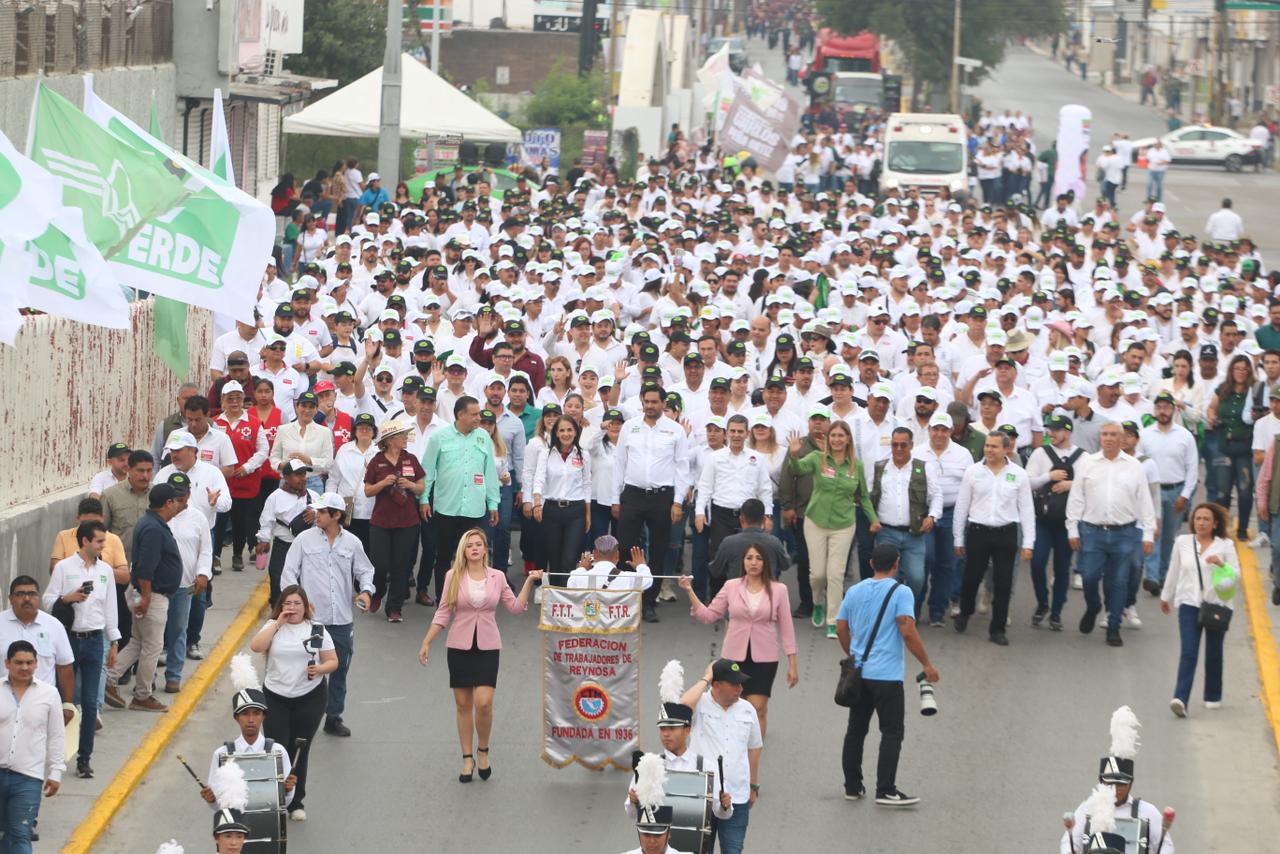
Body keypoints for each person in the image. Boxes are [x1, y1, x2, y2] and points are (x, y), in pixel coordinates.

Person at [418, 529, 542, 783]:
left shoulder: (497, 577)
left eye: (479, 545)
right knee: (463, 705)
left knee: (483, 703)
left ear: (485, 549)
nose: (474, 548)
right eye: (469, 545)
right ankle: (467, 758)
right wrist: (427, 641)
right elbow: (443, 612)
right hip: (459, 645)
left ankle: (483, 750)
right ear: (463, 551)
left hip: (487, 645)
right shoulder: (453, 576)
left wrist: (529, 582)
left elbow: (516, 608)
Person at [835, 543, 939, 807]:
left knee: (856, 731)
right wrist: (927, 663)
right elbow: (907, 629)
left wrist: (854, 653)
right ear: (896, 564)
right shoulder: (901, 592)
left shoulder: (855, 591)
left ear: (871, 564)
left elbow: (840, 627)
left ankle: (852, 786)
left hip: (859, 675)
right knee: (892, 731)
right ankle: (886, 789)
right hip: (887, 676)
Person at [280, 493, 373, 738]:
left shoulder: (352, 543)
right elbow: (288, 573)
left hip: (341, 619)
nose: (316, 515)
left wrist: (366, 592)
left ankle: (333, 717)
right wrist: (297, 604)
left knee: (339, 668)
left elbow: (365, 571)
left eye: (322, 512)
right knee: (306, 668)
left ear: (336, 515)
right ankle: (301, 716)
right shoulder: (303, 540)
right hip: (312, 621)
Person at [680, 544, 797, 738]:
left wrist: (792, 664)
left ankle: (754, 750)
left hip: (765, 658)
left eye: (758, 558)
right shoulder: (731, 586)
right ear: (743, 562)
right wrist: (689, 591)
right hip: (734, 657)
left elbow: (787, 627)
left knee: (758, 707)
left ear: (765, 563)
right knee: (734, 705)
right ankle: (734, 747)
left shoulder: (779, 590)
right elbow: (709, 615)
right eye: (749, 558)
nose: (753, 562)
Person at [249, 585, 337, 820]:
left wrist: (319, 669)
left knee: (300, 748)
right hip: (276, 695)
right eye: (288, 603)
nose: (292, 608)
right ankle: (276, 797)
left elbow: (332, 661)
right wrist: (277, 622)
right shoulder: (273, 627)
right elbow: (256, 646)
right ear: (281, 606)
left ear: (306, 606)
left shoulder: (316, 630)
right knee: (277, 748)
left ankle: (296, 801)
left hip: (309, 697)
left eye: (297, 603)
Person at [1066, 423, 1157, 648]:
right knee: (1088, 576)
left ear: (1121, 438)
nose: (1108, 438)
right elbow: (1077, 496)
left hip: (1124, 532)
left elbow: (1145, 500)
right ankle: (1093, 606)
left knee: (1118, 581)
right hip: (1093, 531)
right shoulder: (1087, 463)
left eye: (1113, 435)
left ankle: (1114, 625)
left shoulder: (1134, 466)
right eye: (1105, 434)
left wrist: (1148, 533)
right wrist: (1072, 528)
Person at [786, 420, 877, 637]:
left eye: (840, 436)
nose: (836, 440)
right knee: (818, 574)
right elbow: (797, 469)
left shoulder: (857, 465)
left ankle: (833, 619)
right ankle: (818, 602)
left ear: (848, 440)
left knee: (835, 574)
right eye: (833, 436)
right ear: (828, 439)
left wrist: (873, 519)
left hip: (843, 524)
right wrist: (794, 454)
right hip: (815, 521)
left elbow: (863, 496)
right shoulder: (818, 459)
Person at [612, 383, 693, 624]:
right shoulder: (630, 427)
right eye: (646, 401)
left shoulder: (675, 430)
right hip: (633, 495)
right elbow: (619, 463)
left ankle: (649, 602)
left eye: (654, 402)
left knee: (658, 550)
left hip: (662, 497)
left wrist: (678, 502)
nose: (650, 406)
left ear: (663, 403)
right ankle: (628, 601)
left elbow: (682, 468)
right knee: (626, 547)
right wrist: (616, 498)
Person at [43, 522, 117, 779]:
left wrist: (114, 641)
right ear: (84, 541)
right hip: (68, 640)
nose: (102, 546)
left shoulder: (106, 571)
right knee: (63, 700)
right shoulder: (63, 568)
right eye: (98, 541)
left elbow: (110, 609)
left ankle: (84, 759)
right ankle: (57, 757)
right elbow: (48, 600)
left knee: (89, 703)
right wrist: (68, 598)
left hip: (96, 640)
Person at [104, 483, 184, 713]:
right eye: (176, 502)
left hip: (147, 593)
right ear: (168, 503)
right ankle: (143, 695)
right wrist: (147, 598)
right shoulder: (154, 529)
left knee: (138, 642)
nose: (178, 506)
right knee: (152, 647)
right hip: (153, 595)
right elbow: (146, 568)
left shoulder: (151, 523)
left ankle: (108, 678)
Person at [623, 661, 732, 829]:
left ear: (687, 730)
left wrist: (725, 805)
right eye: (663, 729)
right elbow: (631, 813)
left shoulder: (706, 766)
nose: (666, 734)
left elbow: (720, 812)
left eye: (672, 728)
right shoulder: (648, 766)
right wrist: (633, 801)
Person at [952, 431, 1035, 646]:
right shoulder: (973, 472)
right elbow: (962, 505)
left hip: (1006, 533)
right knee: (971, 578)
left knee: (1003, 583)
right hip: (978, 532)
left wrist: (1028, 543)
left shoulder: (1018, 474)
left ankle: (997, 629)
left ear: (1006, 449)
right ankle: (965, 612)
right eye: (987, 446)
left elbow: (1026, 509)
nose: (989, 450)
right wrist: (958, 538)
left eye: (994, 446)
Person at [1161, 502, 1239, 717]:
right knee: (1189, 652)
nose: (1201, 522)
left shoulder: (1225, 545)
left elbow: (1237, 574)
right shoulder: (1183, 542)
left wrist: (1222, 564)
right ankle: (1180, 698)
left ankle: (1213, 695)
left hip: (1216, 605)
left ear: (1215, 524)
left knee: (1214, 652)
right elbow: (1174, 570)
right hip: (1188, 603)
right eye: (1197, 518)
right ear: (1192, 521)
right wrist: (1165, 596)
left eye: (1206, 519)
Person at [678, 659, 763, 854]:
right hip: (701, 796)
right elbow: (684, 704)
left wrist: (753, 785)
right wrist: (707, 676)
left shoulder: (747, 709)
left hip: (736, 796)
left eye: (740, 683)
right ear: (716, 685)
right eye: (734, 684)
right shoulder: (700, 704)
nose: (740, 688)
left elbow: (754, 748)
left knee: (733, 850)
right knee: (699, 850)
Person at [420, 398, 501, 602]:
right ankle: (443, 600)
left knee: (472, 557)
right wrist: (423, 499)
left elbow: (489, 472)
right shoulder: (440, 437)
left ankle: (467, 599)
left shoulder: (483, 437)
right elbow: (427, 471)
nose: (478, 418)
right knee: (444, 556)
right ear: (460, 415)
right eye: (474, 414)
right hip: (446, 507)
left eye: (479, 414)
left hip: (474, 509)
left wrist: (493, 503)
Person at [1061, 706, 1172, 854]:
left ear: (1131, 784)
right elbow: (1070, 841)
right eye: (1110, 783)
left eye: (1121, 784)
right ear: (1101, 782)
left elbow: (1165, 844)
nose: (1115, 788)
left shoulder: (1147, 812)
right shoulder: (1087, 808)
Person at [0, 640, 64, 854]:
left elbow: (56, 735)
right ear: (7, 663)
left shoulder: (49, 694)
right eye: (19, 662)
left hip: (28, 778)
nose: (24, 667)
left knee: (20, 834)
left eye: (29, 662)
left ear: (37, 664)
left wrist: (56, 771)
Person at [869, 427, 942, 613]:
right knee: (887, 580)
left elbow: (936, 496)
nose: (899, 448)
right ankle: (891, 613)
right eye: (895, 444)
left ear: (911, 445)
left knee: (917, 577)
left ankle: (910, 606)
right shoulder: (880, 467)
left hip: (914, 534)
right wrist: (871, 519)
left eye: (903, 444)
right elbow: (868, 496)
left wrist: (932, 516)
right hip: (886, 533)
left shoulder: (924, 467)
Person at [201, 672, 295, 811]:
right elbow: (218, 804)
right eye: (245, 714)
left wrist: (287, 790)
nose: (251, 720)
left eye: (256, 713)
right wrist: (211, 799)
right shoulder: (222, 754)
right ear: (236, 718)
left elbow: (284, 803)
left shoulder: (278, 751)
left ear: (264, 716)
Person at [1026, 415, 1085, 631]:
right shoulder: (1040, 453)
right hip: (1043, 519)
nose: (1052, 433)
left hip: (1068, 522)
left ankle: (1057, 612)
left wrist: (1071, 484)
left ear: (1068, 433)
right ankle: (1043, 602)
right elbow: (1027, 481)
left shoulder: (1083, 457)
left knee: (1062, 569)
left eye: (1057, 430)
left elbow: (1090, 485)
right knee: (1037, 563)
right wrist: (1048, 476)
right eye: (1050, 429)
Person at [363, 419, 425, 623]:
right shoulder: (376, 461)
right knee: (379, 564)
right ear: (390, 440)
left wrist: (411, 485)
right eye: (402, 435)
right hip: (381, 521)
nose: (406, 438)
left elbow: (421, 486)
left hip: (407, 521)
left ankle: (394, 607)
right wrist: (382, 483)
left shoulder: (411, 459)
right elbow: (367, 490)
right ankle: (378, 592)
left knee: (402, 565)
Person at [1139, 392, 1199, 593]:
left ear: (1173, 410)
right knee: (1153, 532)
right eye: (1159, 407)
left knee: (1168, 537)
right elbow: (1139, 464)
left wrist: (1185, 495)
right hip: (1152, 491)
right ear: (1154, 411)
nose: (1162, 411)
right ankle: (1152, 577)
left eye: (1166, 407)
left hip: (1176, 491)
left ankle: (1163, 574)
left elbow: (1192, 468)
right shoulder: (1145, 434)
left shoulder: (1185, 436)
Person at [695, 414, 774, 558]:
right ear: (726, 433)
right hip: (721, 515)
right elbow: (705, 487)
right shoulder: (714, 457)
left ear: (747, 434)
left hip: (749, 516)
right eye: (732, 431)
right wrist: (699, 512)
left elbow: (764, 489)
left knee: (748, 558)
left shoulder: (758, 458)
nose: (736, 435)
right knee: (719, 557)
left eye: (740, 431)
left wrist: (767, 515)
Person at [532, 416, 592, 586]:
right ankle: (556, 596)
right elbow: (539, 479)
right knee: (554, 557)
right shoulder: (546, 454)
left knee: (569, 558)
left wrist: (588, 514)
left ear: (575, 432)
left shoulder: (583, 455)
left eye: (569, 430)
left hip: (576, 511)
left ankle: (568, 596)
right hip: (552, 509)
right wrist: (537, 502)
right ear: (556, 433)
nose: (566, 434)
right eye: (562, 430)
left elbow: (587, 484)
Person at [707, 499, 789, 593]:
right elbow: (785, 565)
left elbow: (715, 570)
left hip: (736, 601)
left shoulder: (728, 542)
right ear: (764, 520)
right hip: (767, 600)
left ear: (741, 519)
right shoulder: (774, 542)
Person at [566, 538, 654, 592]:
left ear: (594, 554)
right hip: (619, 622)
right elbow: (647, 580)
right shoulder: (627, 578)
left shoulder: (578, 577)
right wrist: (641, 566)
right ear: (617, 555)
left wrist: (581, 569)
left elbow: (571, 583)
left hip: (590, 621)